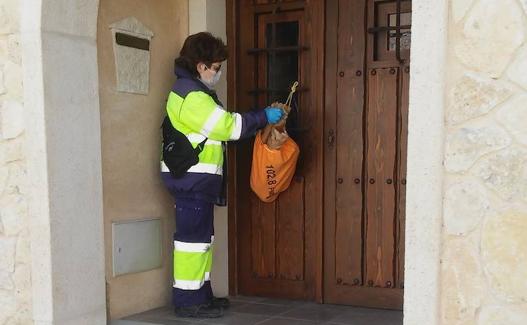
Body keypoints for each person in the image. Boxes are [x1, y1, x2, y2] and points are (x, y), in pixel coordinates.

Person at [160, 32, 283, 318]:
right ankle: (188, 302)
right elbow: (226, 127)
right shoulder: (190, 94)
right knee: (192, 243)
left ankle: (201, 296)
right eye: (215, 67)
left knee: (202, 240)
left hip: (194, 181)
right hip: (191, 180)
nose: (217, 73)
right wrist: (263, 116)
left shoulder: (193, 91)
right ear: (200, 65)